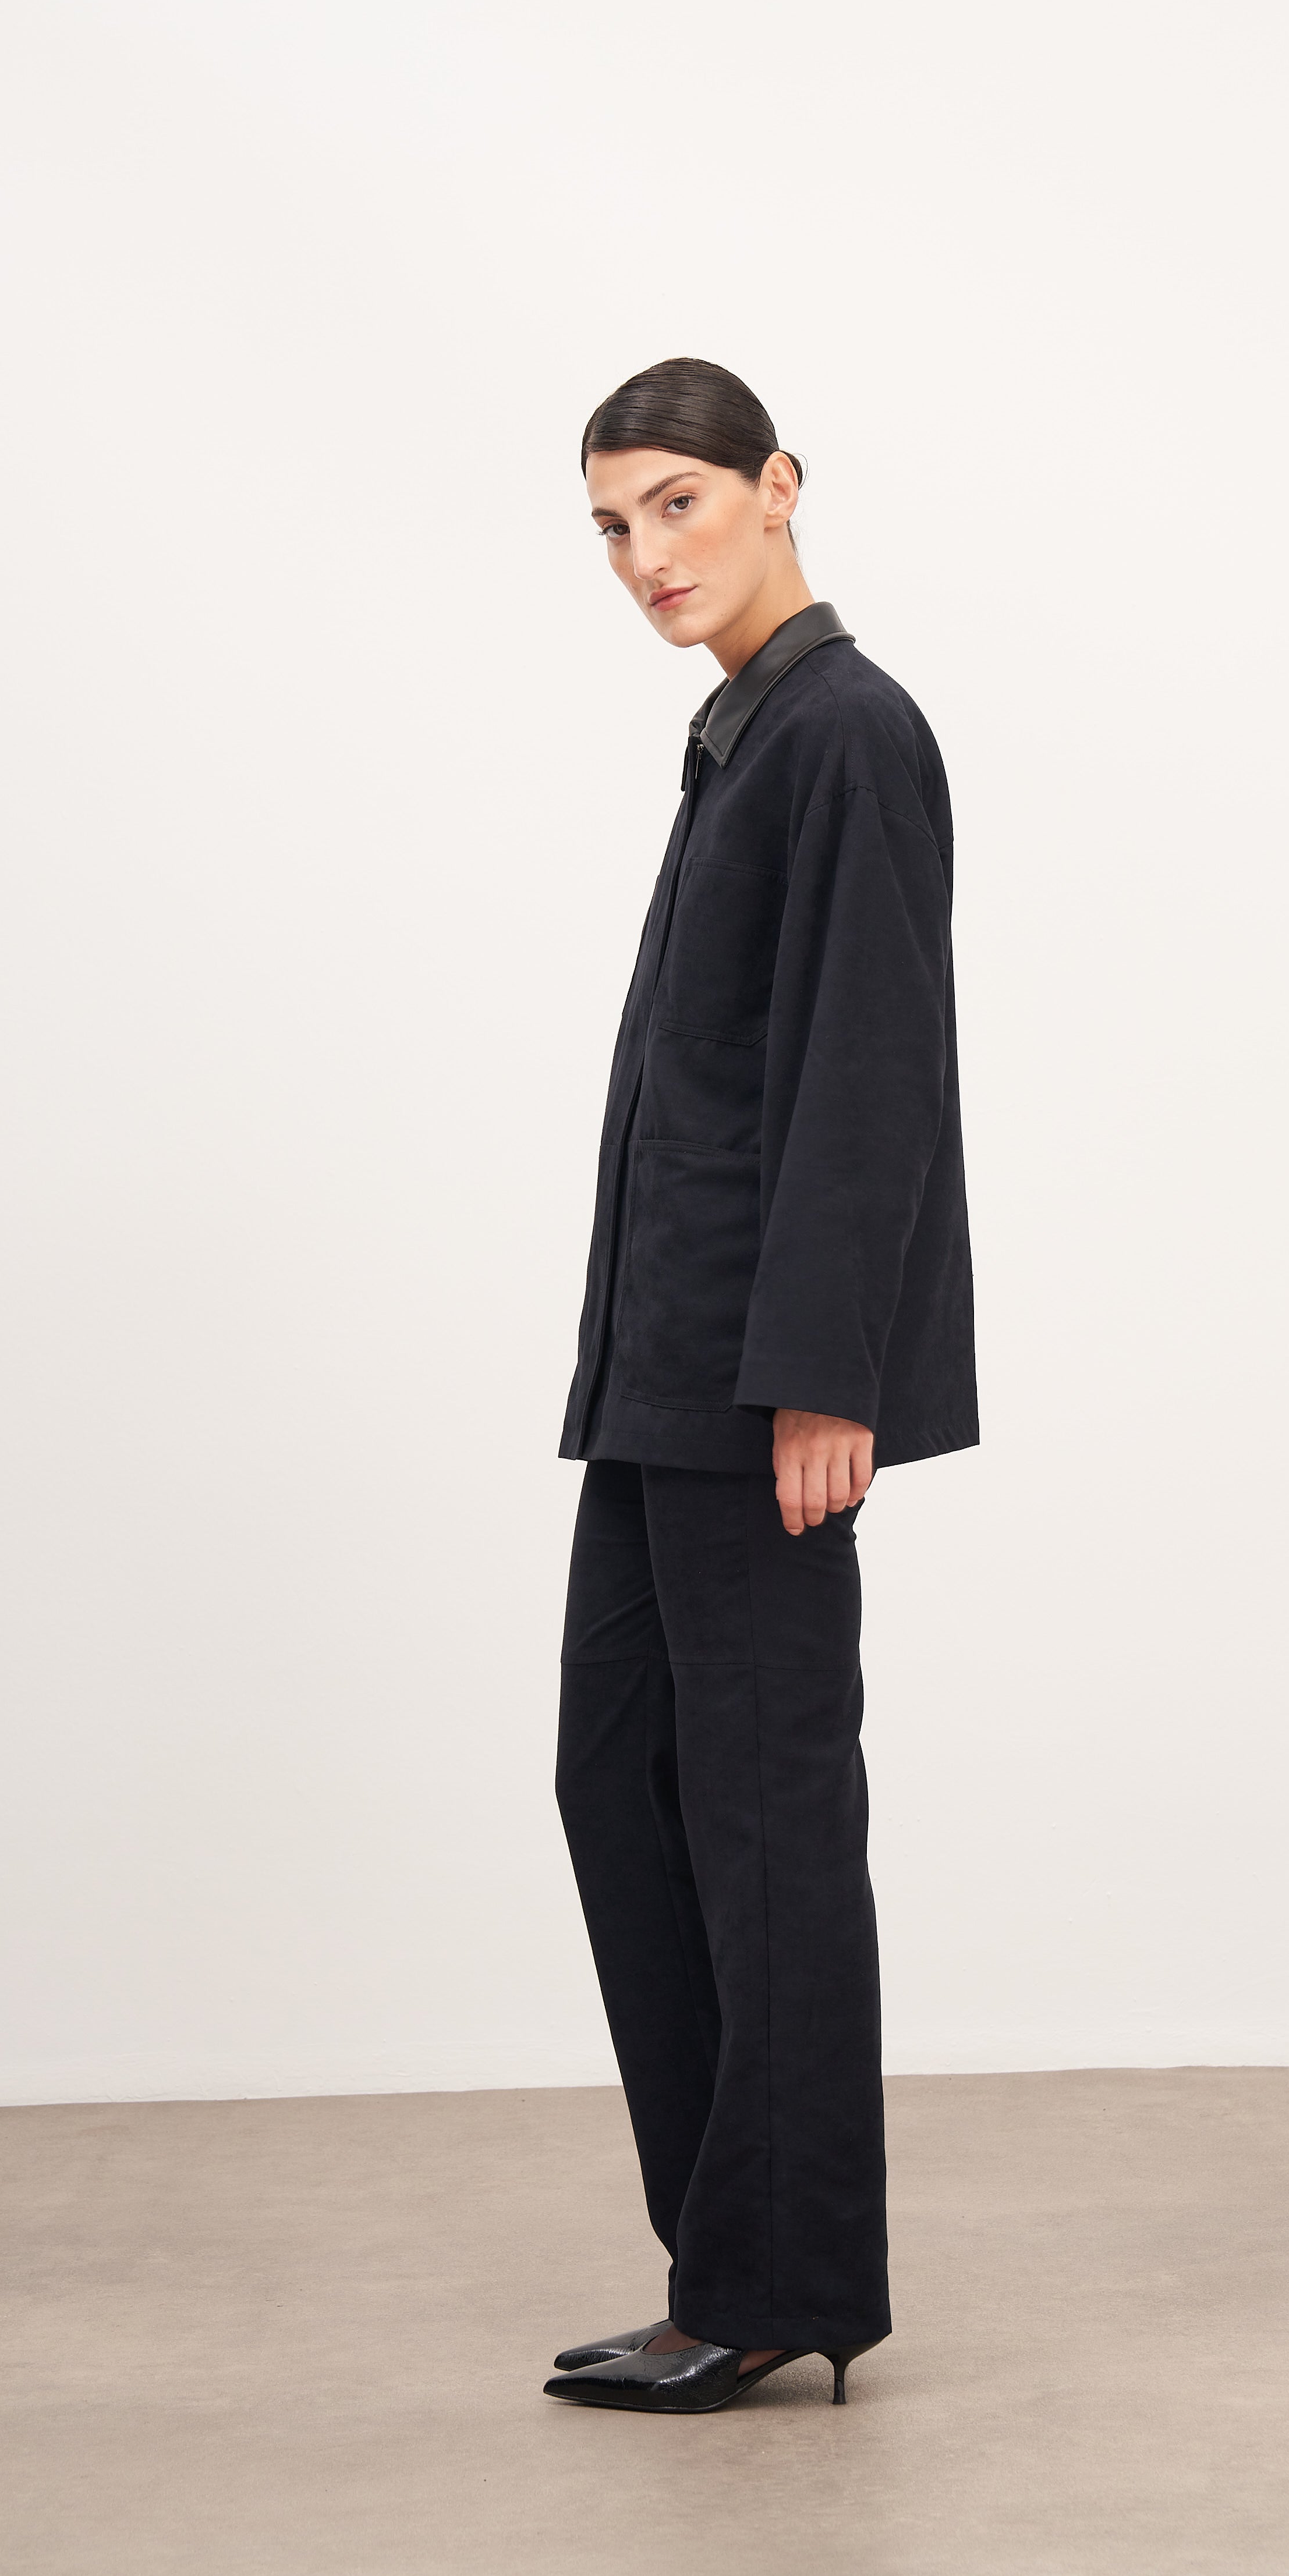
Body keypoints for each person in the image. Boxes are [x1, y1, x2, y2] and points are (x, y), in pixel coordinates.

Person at [543, 358, 976, 2415]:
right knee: (621, 1778)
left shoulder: (848, 732)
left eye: (679, 504)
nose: (647, 555)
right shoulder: (743, 737)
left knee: (765, 1812)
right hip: (662, 1377)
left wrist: (826, 1379)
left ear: (779, 485)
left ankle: (780, 2278)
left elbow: (869, 1075)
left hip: (758, 1389)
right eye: (613, 526)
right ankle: (726, 2245)